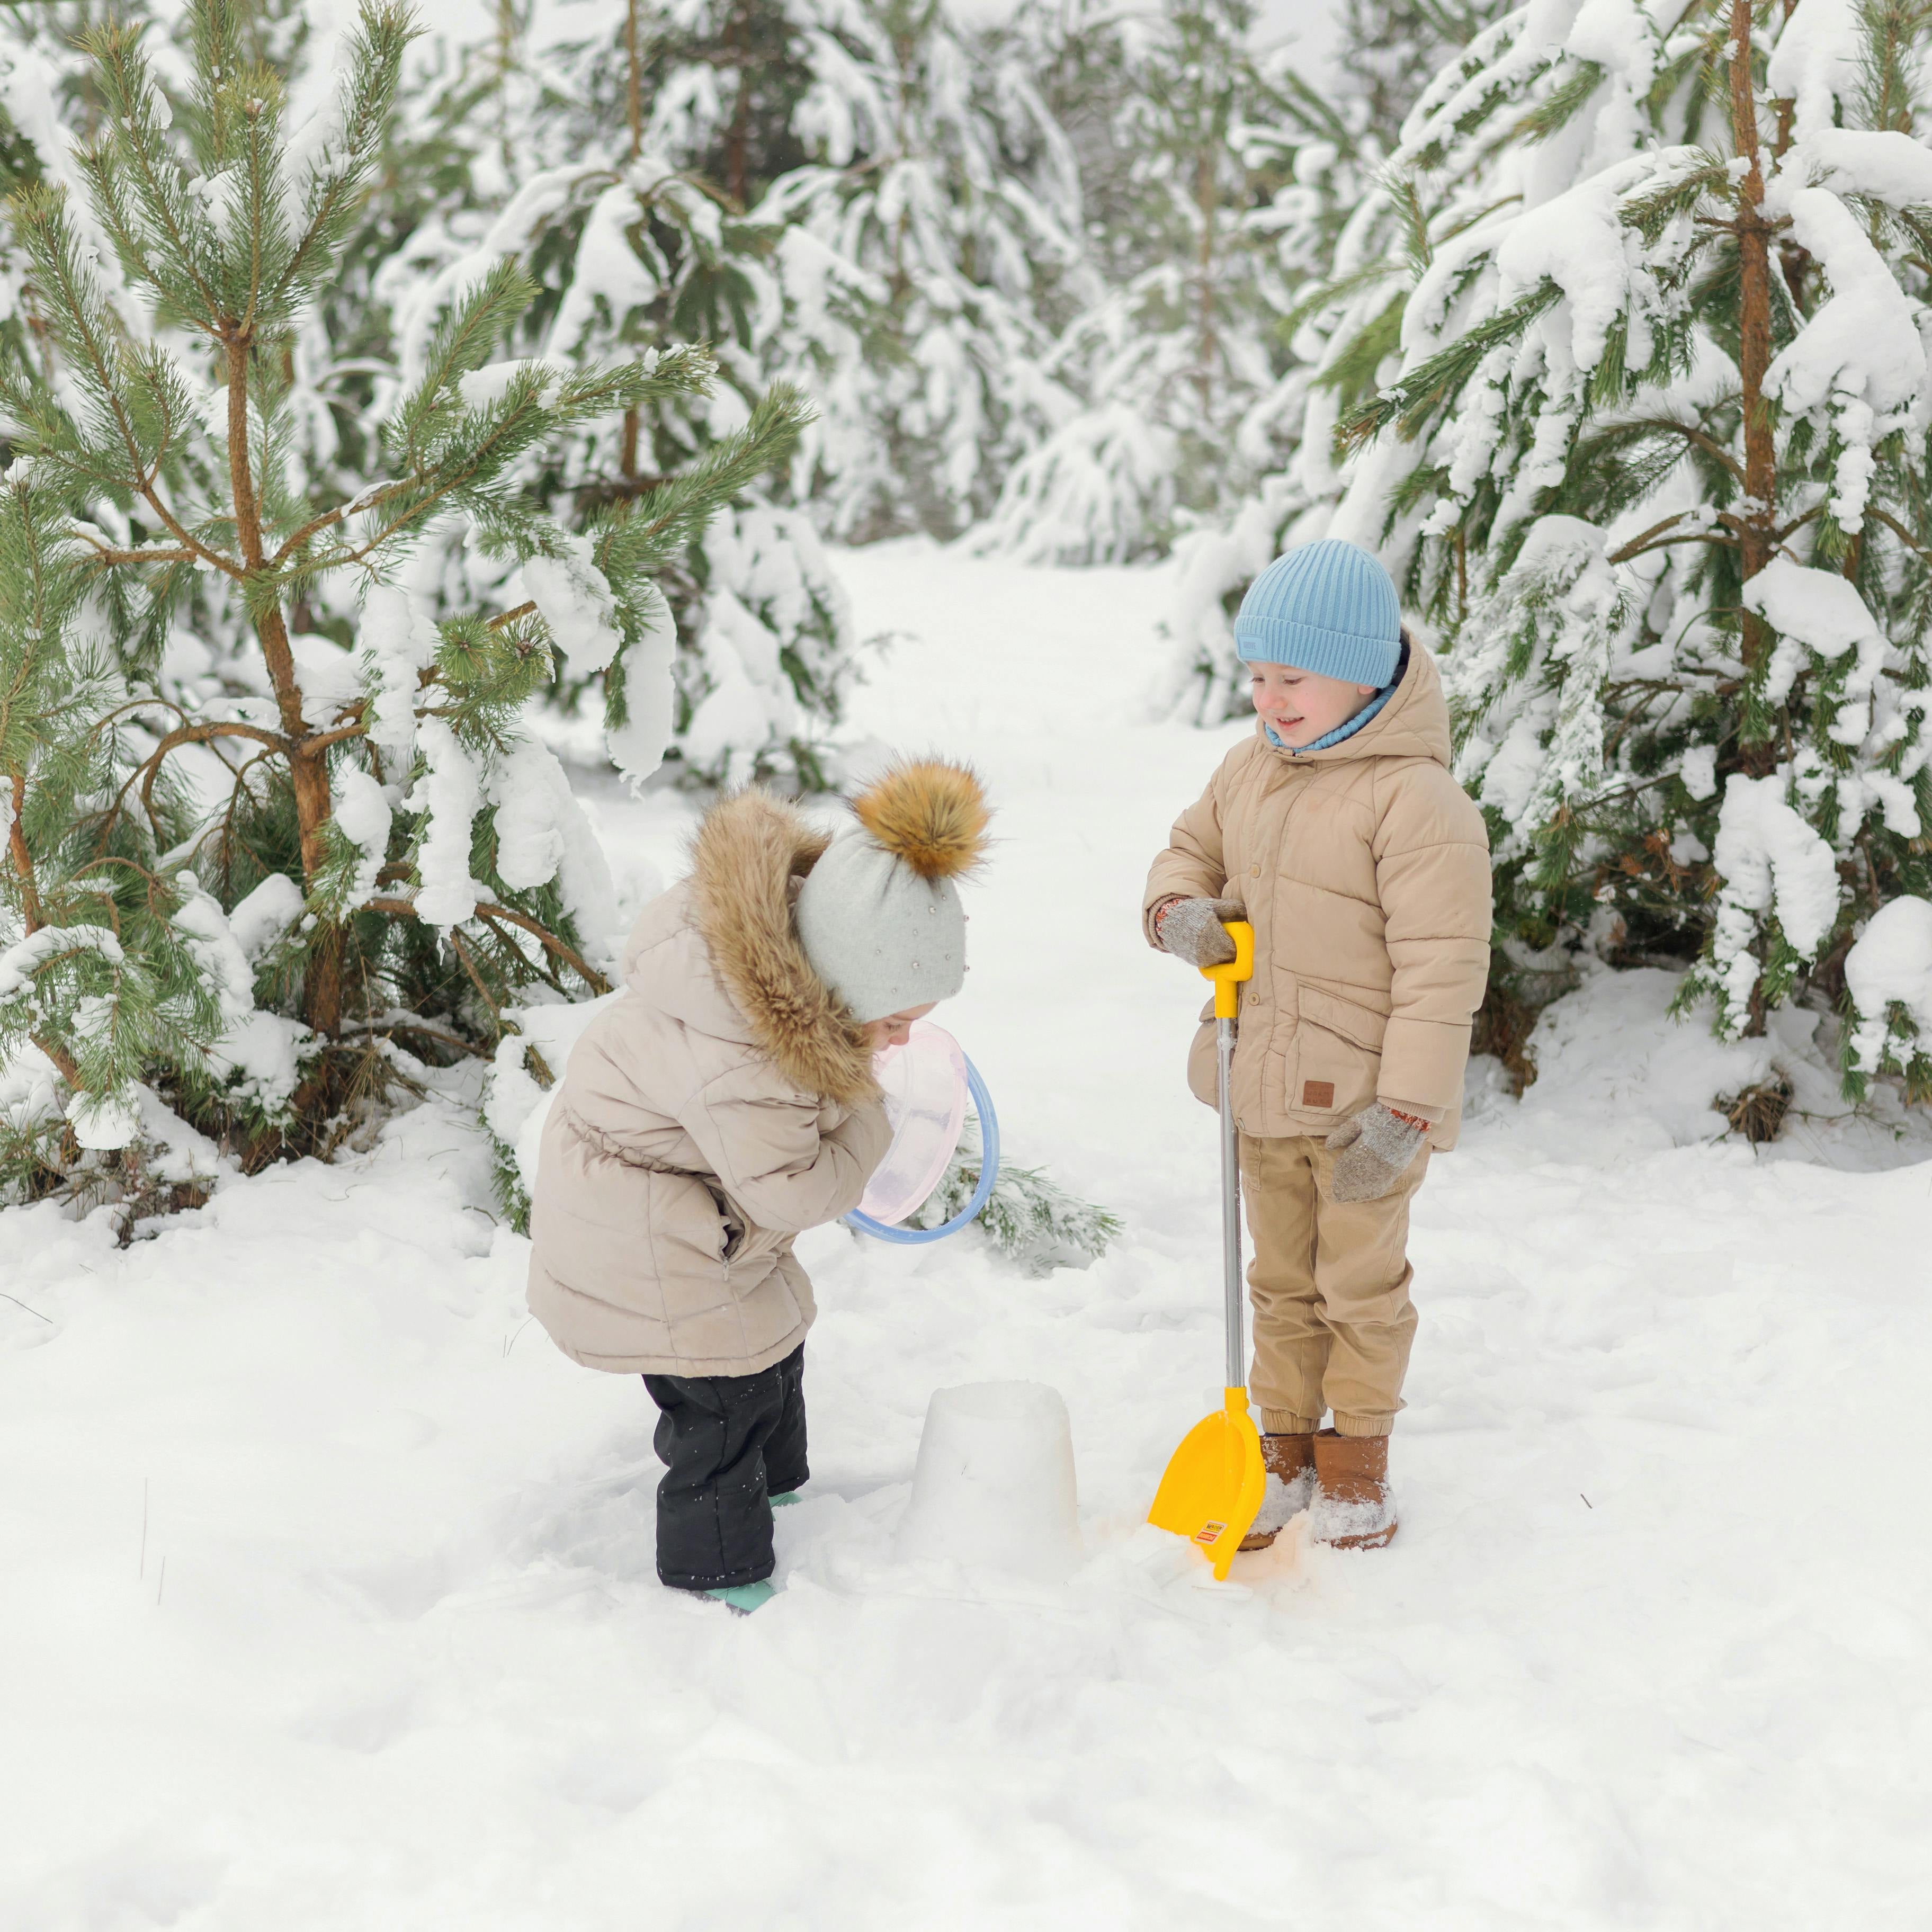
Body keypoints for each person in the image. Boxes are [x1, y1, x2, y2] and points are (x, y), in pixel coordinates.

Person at [527, 761, 990, 1608]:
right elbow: (792, 1191)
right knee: (722, 1402)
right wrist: (872, 1121)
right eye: (892, 1023)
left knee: (775, 1345)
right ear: (842, 982)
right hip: (641, 1235)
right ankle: (717, 1570)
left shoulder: (789, 1004)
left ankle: (779, 1486)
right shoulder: (748, 1055)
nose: (895, 1044)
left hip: (692, 1209)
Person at [1144, 537, 1490, 1549]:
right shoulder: (1247, 771)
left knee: (1360, 1290)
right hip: (1262, 1088)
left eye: (1292, 677)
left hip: (1367, 1115)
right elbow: (1185, 851)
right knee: (1279, 1283)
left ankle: (1355, 1465)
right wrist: (1177, 911)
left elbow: (1443, 971)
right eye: (1256, 676)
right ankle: (1283, 1452)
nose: (1269, 697)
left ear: (1364, 670)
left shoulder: (1416, 802)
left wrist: (1409, 1112)